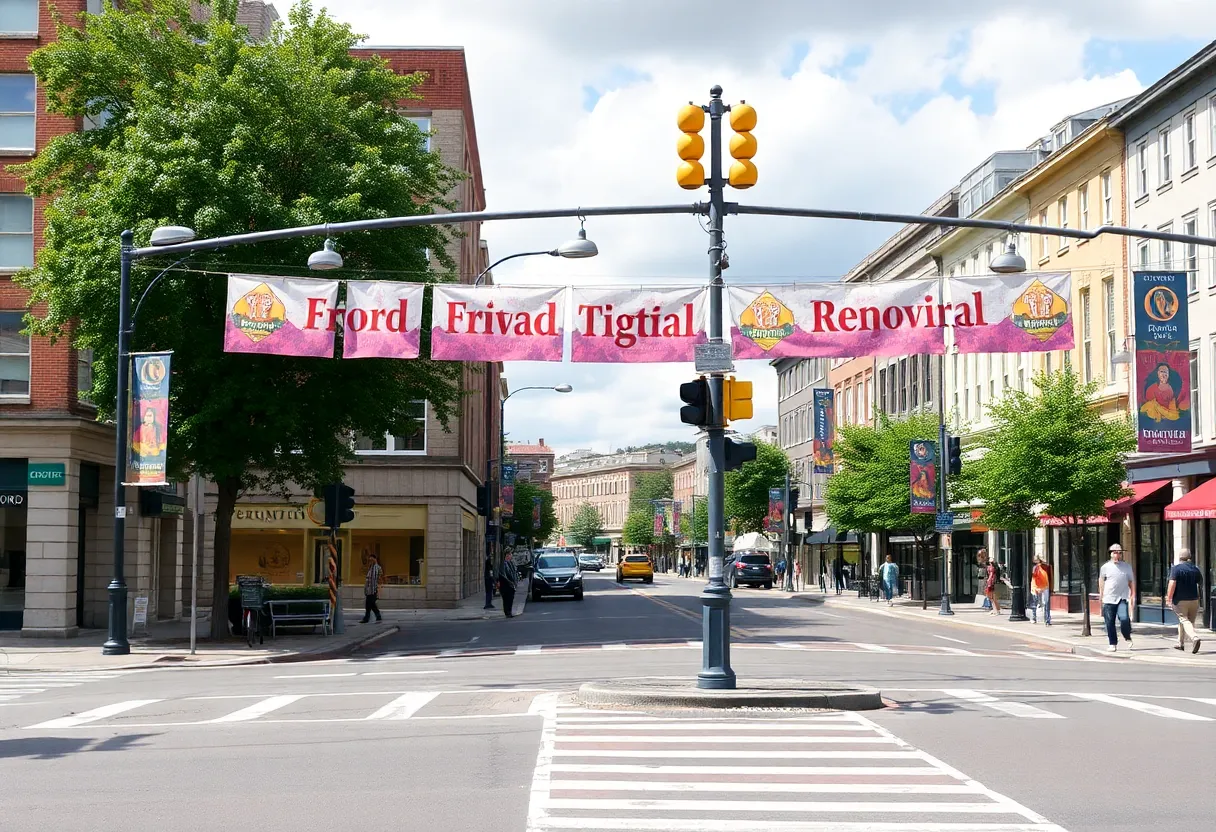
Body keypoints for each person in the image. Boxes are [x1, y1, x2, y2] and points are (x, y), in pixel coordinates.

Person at [1098, 543, 1135, 652]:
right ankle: (1112, 643)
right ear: (1111, 554)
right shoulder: (1105, 567)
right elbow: (1101, 580)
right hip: (1109, 598)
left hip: (1122, 598)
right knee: (1109, 622)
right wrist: (1101, 594)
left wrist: (1133, 595)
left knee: (1124, 620)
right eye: (1115, 553)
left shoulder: (1127, 567)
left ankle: (1127, 636)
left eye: (1119, 553)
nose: (1117, 555)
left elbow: (1131, 582)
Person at [1167, 549, 1203, 653]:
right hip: (1194, 600)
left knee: (1184, 620)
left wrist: (1169, 598)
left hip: (1180, 600)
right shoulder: (1195, 569)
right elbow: (1201, 584)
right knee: (1188, 622)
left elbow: (1172, 584)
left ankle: (1194, 638)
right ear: (1189, 557)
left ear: (1179, 558)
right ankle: (1180, 643)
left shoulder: (1176, 569)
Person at [360, 552, 383, 624]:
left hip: (373, 589)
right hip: (369, 589)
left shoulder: (377, 568)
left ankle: (367, 618)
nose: (370, 561)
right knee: (371, 604)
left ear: (375, 559)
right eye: (370, 560)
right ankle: (378, 616)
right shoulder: (370, 568)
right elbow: (368, 579)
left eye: (371, 559)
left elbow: (379, 579)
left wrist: (378, 589)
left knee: (369, 604)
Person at [1030, 554, 1051, 625]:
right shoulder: (1035, 568)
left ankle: (1047, 620)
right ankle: (1034, 618)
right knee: (1036, 603)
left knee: (1045, 603)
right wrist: (1035, 588)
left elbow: (1050, 577)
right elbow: (1034, 578)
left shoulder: (1047, 567)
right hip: (1037, 587)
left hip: (1044, 587)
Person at [499, 552, 520, 618]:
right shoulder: (504, 564)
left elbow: (513, 572)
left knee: (510, 599)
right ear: (507, 556)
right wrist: (510, 581)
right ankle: (507, 612)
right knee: (506, 599)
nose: (511, 557)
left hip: (511, 584)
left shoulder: (510, 563)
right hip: (506, 585)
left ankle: (509, 612)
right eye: (510, 556)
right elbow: (506, 574)